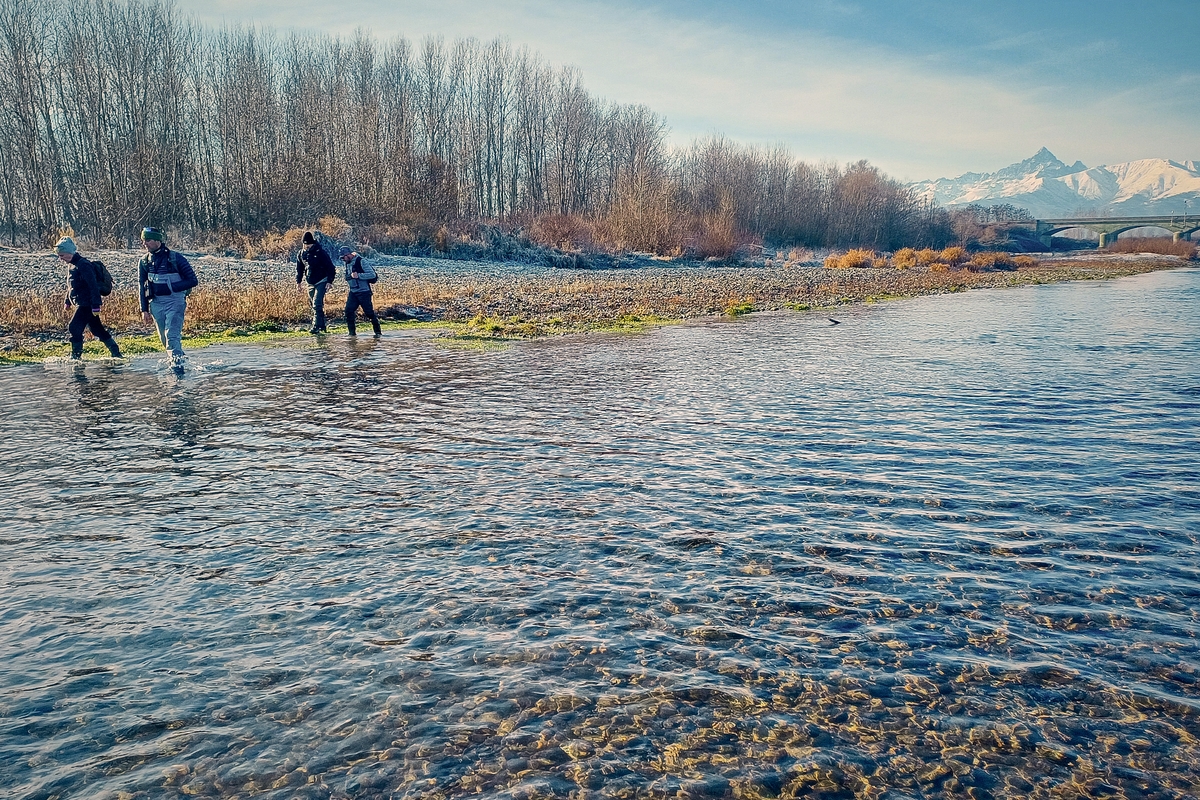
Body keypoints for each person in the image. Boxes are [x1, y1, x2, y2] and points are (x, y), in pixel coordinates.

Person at [138, 227, 198, 365]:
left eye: (148, 240)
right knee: (164, 339)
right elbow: (142, 285)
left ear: (158, 241)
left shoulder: (176, 258)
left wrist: (171, 287)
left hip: (175, 301)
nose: (144, 244)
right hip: (156, 303)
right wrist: (144, 309)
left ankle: (177, 369)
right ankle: (181, 362)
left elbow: (193, 280)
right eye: (143, 240)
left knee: (171, 336)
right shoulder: (143, 261)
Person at [56, 236, 122, 360]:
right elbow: (71, 285)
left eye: (62, 255)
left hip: (87, 303)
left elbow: (93, 286)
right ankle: (116, 353)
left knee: (74, 327)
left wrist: (96, 305)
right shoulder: (72, 265)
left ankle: (76, 357)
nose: (61, 259)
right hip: (81, 302)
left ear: (70, 252)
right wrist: (67, 301)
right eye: (59, 256)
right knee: (97, 329)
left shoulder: (84, 265)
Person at [296, 231, 336, 334]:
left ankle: (315, 327)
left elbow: (331, 267)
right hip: (310, 282)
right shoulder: (301, 254)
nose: (306, 246)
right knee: (313, 304)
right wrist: (299, 282)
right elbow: (299, 269)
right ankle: (322, 326)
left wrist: (329, 281)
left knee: (317, 303)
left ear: (312, 243)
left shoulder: (321, 253)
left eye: (308, 244)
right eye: (305, 244)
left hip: (322, 281)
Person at [340, 246, 381, 337]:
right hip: (353, 292)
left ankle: (378, 333)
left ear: (348, 254)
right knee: (348, 311)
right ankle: (352, 334)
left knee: (369, 313)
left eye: (343, 257)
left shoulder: (361, 261)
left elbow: (372, 274)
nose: (343, 259)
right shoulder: (347, 263)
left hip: (364, 292)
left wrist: (358, 275)